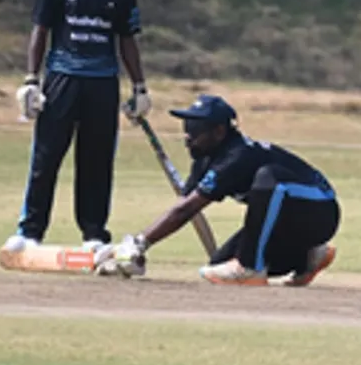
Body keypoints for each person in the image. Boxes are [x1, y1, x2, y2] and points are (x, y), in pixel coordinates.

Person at [1, 0, 152, 260]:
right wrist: (31, 80)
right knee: (47, 157)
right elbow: (40, 31)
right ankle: (30, 232)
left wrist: (140, 87)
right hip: (62, 79)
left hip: (102, 83)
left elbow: (127, 39)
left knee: (97, 161)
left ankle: (95, 234)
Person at [98, 94, 340, 286]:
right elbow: (184, 208)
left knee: (269, 179)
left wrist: (140, 242)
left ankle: (250, 269)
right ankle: (308, 256)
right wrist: (128, 252)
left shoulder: (237, 155)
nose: (187, 138)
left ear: (219, 132)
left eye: (195, 130)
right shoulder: (205, 160)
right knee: (219, 264)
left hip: (320, 210)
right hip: (289, 224)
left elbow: (186, 209)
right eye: (186, 129)